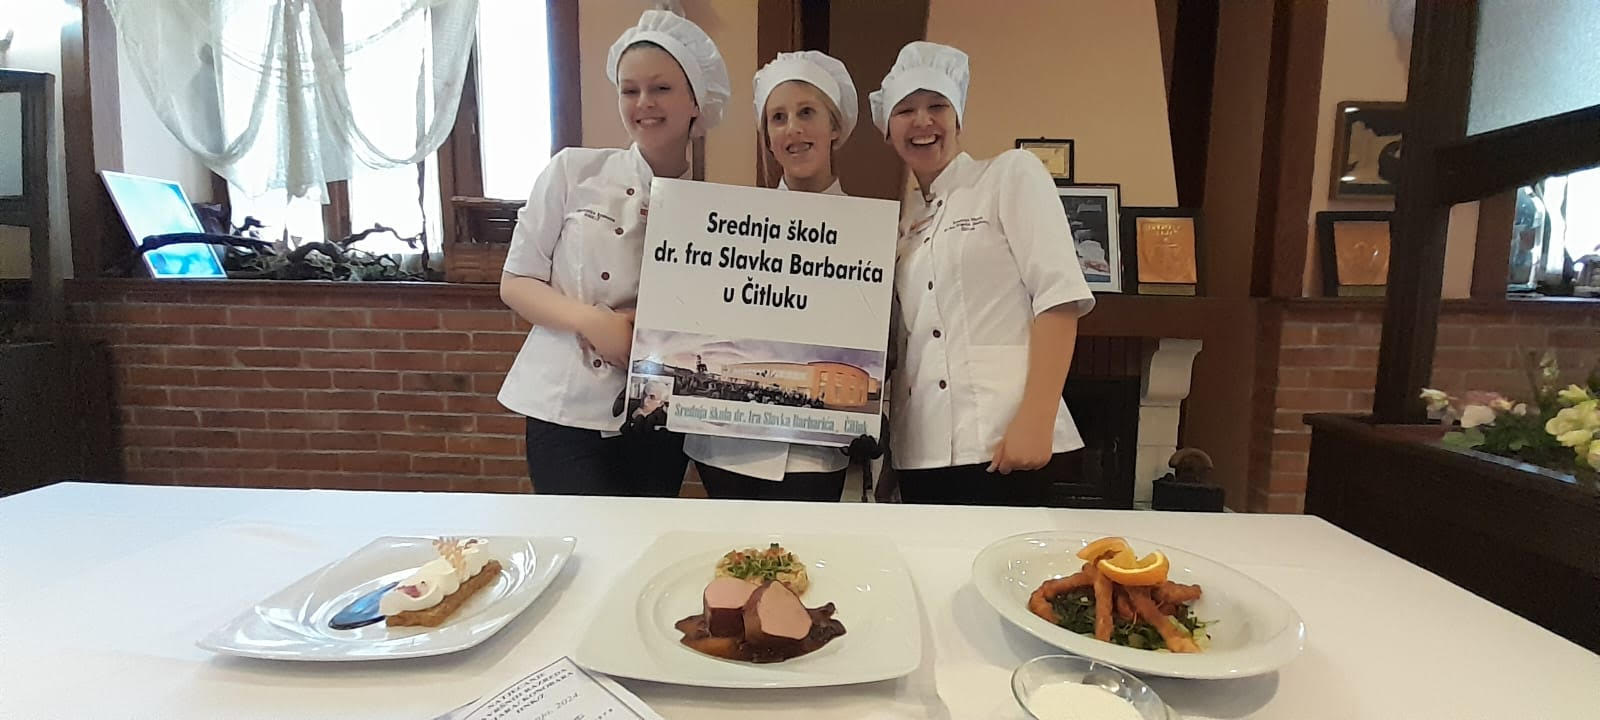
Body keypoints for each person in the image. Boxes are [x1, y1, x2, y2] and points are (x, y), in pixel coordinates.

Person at [497, 10, 730, 496]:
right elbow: (516, 282)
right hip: (563, 408)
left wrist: (645, 326)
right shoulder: (572, 171)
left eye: (661, 88)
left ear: (695, 100)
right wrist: (592, 321)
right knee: (577, 535)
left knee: (643, 537)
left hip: (656, 413)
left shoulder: (711, 211)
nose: (644, 103)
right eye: (630, 90)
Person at [870, 42, 1095, 506]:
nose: (922, 121)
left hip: (1003, 442)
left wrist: (1036, 419)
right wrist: (893, 457)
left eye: (937, 106)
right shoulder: (902, 221)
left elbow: (1058, 298)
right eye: (906, 110)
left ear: (958, 118)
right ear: (888, 130)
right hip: (920, 453)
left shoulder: (1009, 176)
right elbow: (911, 345)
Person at [682, 51, 860, 502]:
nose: (792, 128)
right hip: (724, 445)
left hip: (814, 451)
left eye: (807, 112)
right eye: (778, 118)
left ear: (835, 127)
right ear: (767, 137)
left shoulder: (867, 235)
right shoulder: (731, 229)